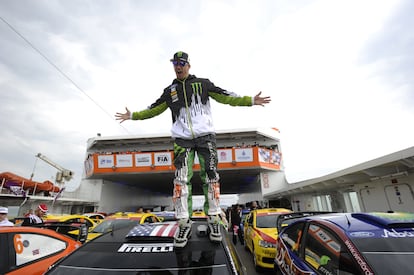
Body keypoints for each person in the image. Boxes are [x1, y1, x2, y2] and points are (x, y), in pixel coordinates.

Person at [116, 51, 271, 247]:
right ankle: (183, 222)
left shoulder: (203, 84)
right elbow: (153, 109)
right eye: (175, 63)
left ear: (188, 65)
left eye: (181, 63)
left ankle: (214, 219)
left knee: (211, 177)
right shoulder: (170, 91)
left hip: (205, 137)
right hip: (182, 140)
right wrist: (133, 116)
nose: (178, 66)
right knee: (181, 180)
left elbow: (226, 96)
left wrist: (249, 100)